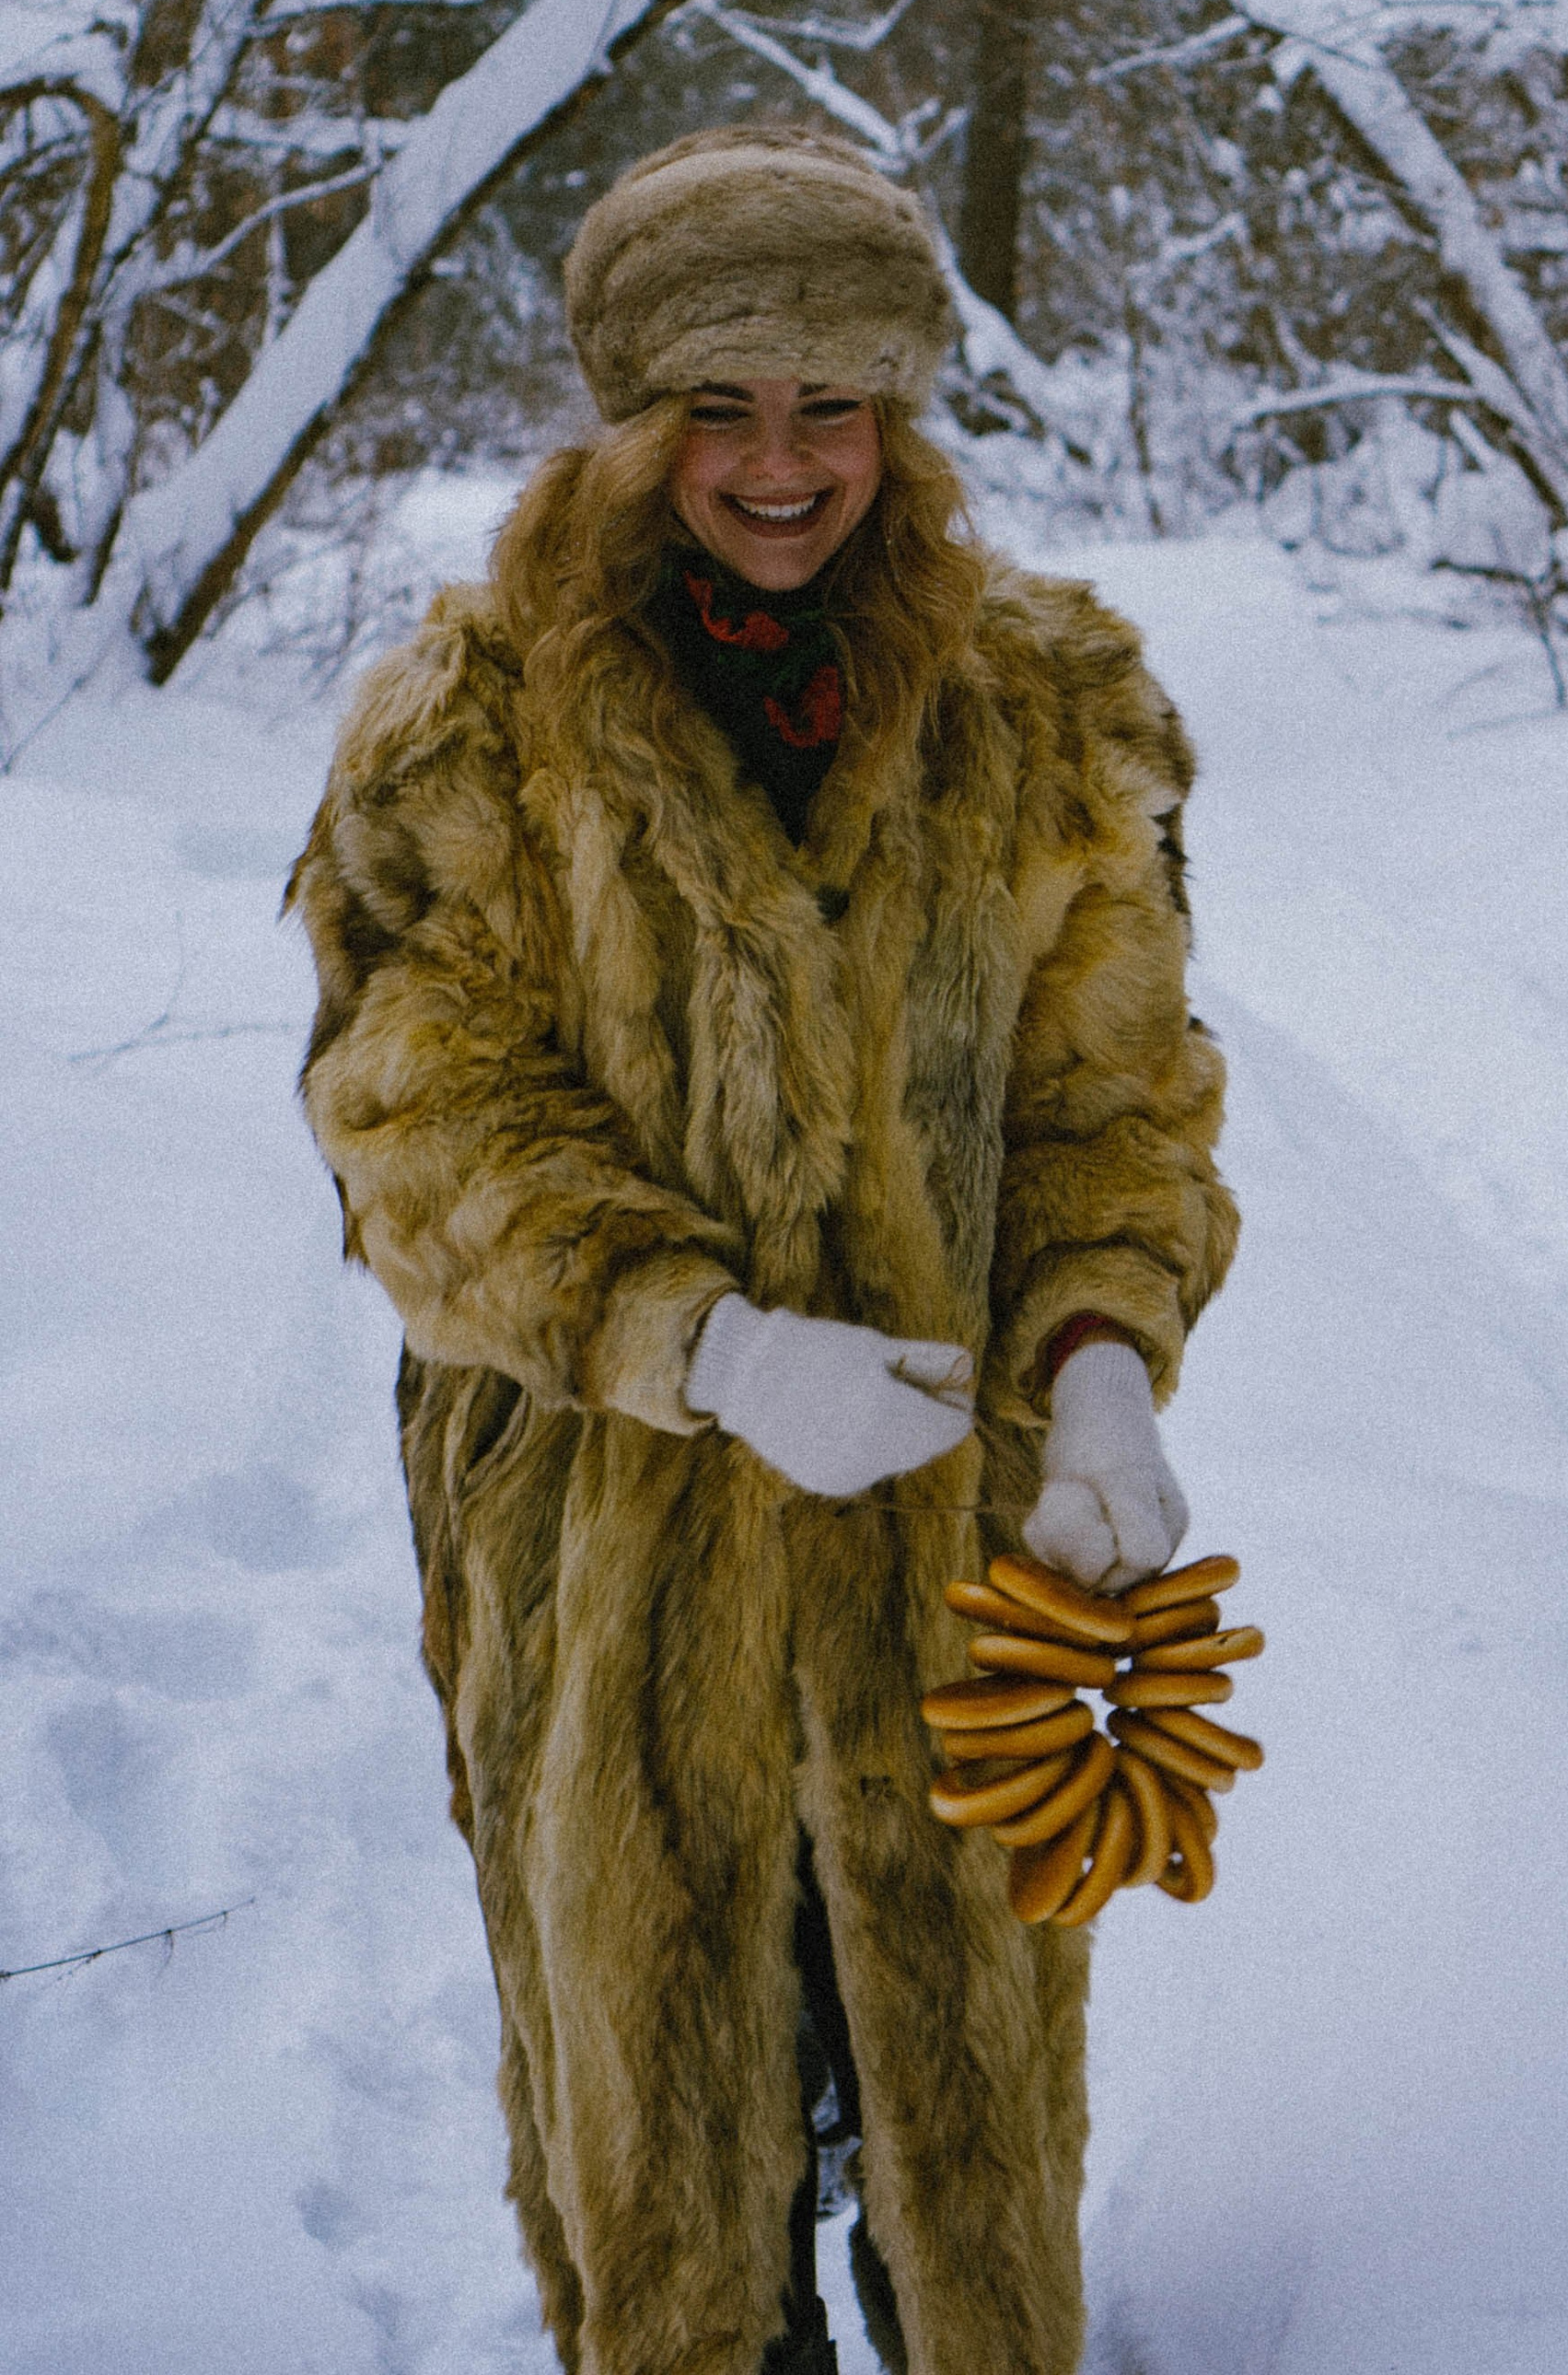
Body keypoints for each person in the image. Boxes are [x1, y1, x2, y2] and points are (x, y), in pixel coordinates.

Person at [292, 123, 1238, 2375]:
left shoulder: (1048, 713)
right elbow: (412, 1123)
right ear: (628, 421)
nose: (781, 460)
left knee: (957, 2081)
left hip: (949, 1526)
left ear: (899, 413)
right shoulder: (471, 725)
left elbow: (1110, 1101)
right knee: (670, 2116)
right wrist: (693, 1344)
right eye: (720, 404)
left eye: (833, 402)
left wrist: (1103, 1348)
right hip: (607, 1541)